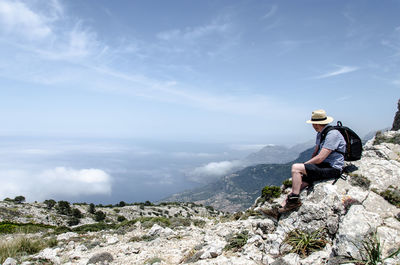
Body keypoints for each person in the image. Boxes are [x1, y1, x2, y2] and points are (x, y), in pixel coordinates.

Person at [278, 109, 346, 214]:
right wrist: (306, 168)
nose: (313, 126)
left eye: (313, 123)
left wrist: (303, 166)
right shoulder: (321, 134)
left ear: (316, 124)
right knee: (298, 185)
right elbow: (315, 153)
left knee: (296, 168)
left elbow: (320, 158)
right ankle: (280, 208)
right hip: (323, 166)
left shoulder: (333, 134)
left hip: (333, 168)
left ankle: (294, 202)